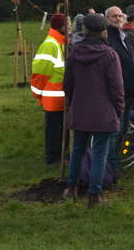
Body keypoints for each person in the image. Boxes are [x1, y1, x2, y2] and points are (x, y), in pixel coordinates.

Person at [62, 14, 124, 208]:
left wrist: (72, 104)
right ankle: (94, 195)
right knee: (99, 154)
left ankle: (71, 188)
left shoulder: (74, 53)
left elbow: (68, 84)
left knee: (77, 150)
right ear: (104, 31)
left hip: (80, 109)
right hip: (103, 112)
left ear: (85, 31)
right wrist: (119, 109)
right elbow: (116, 87)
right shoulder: (109, 55)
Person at [105, 6, 134, 174]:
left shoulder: (124, 37)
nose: (118, 18)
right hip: (117, 94)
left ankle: (116, 161)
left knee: (123, 129)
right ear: (107, 19)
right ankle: (112, 167)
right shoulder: (108, 39)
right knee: (115, 131)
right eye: (114, 16)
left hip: (129, 93)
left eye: (120, 15)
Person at [30, 13, 68, 165]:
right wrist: (37, 94)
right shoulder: (50, 45)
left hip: (60, 98)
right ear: (61, 26)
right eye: (68, 24)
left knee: (61, 129)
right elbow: (40, 73)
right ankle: (53, 158)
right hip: (53, 99)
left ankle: (61, 156)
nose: (70, 27)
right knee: (54, 130)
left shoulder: (61, 43)